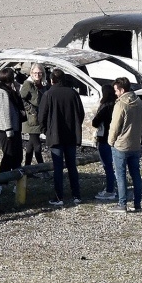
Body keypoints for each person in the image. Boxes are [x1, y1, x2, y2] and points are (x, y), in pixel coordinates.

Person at [37, 68, 84, 206]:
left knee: (58, 168)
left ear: (52, 80)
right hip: (71, 135)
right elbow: (80, 113)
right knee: (72, 166)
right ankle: (76, 195)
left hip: (55, 135)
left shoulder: (48, 94)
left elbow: (42, 116)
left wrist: (45, 130)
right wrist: (75, 126)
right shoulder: (73, 93)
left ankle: (59, 197)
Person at [107, 77, 142, 213]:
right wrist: (137, 136)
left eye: (116, 90)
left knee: (121, 175)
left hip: (121, 145)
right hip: (135, 144)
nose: (115, 93)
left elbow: (114, 127)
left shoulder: (120, 105)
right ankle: (137, 203)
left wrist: (111, 141)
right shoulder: (139, 103)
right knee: (136, 174)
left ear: (122, 90)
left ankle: (122, 203)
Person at [0, 69, 24, 194]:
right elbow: (5, 113)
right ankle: (0, 182)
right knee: (8, 155)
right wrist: (9, 131)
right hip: (5, 130)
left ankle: (17, 182)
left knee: (17, 155)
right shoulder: (3, 92)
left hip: (14, 128)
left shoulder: (10, 90)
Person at [92, 83, 117, 201]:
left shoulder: (105, 106)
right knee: (114, 165)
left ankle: (110, 190)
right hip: (115, 138)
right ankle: (114, 187)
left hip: (104, 137)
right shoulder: (116, 105)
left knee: (107, 165)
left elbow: (95, 122)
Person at [19, 63, 47, 169]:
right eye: (35, 73)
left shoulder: (43, 84)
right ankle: (43, 169)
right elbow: (21, 98)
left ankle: (26, 169)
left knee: (30, 146)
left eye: (39, 73)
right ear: (31, 73)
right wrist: (31, 110)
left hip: (39, 118)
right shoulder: (28, 84)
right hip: (32, 119)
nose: (37, 75)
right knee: (37, 146)